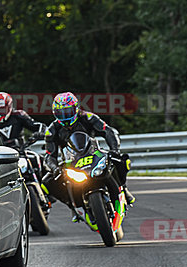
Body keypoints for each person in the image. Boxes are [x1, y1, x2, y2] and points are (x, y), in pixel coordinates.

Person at [42, 92, 134, 221]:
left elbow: (108, 131)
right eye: (60, 113)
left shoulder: (88, 118)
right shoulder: (52, 130)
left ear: (76, 108)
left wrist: (114, 149)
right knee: (47, 182)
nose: (65, 117)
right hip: (71, 162)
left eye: (67, 112)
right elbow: (49, 155)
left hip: (93, 154)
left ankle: (123, 187)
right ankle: (73, 206)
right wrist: (54, 168)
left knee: (121, 160)